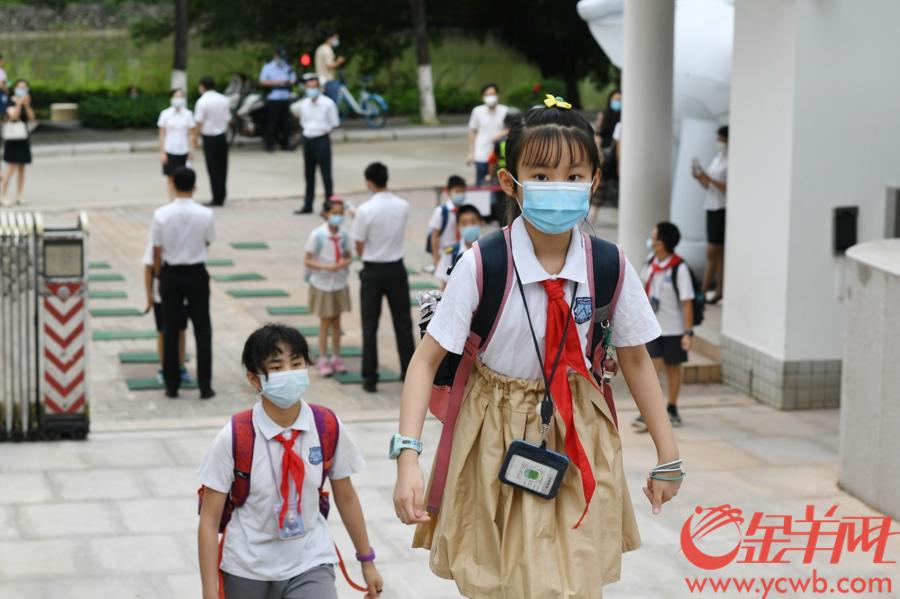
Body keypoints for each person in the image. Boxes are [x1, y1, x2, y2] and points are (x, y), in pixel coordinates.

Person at [392, 96, 682, 598]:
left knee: (570, 579)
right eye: (542, 175)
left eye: (574, 176)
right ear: (511, 183)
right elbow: (426, 362)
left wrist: (668, 456)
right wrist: (407, 457)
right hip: (491, 431)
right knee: (497, 580)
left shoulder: (610, 265)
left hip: (578, 428)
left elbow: (635, 358)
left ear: (594, 181)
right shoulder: (483, 263)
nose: (559, 188)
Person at [197, 324, 384, 599]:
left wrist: (367, 560)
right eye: (277, 367)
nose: (290, 373)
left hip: (309, 561)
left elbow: (346, 497)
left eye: (296, 364)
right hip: (246, 568)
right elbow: (209, 519)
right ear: (254, 379)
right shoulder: (235, 436)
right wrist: (209, 592)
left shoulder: (326, 426)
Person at [350, 162, 416, 393]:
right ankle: (408, 371)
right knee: (403, 322)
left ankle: (370, 377)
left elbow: (358, 244)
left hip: (373, 269)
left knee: (370, 324)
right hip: (396, 267)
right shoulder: (403, 205)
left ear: (369, 182)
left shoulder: (365, 210)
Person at [151, 167, 215, 400]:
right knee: (203, 329)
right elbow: (208, 242)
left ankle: (171, 384)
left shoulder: (161, 214)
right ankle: (205, 385)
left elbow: (157, 250)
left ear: (173, 185)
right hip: (197, 272)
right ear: (195, 186)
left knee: (170, 329)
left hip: (172, 273)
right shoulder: (206, 214)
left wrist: (159, 276)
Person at [634, 222, 694, 432]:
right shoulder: (650, 263)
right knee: (652, 368)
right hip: (653, 328)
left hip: (674, 329)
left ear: (663, 243)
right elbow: (640, 290)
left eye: (655, 239)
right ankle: (651, 409)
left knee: (673, 370)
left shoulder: (679, 267)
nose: (651, 242)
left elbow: (687, 302)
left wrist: (688, 332)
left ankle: (672, 407)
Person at [304, 197, 352, 376]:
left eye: (340, 214)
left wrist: (343, 263)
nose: (338, 217)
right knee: (325, 322)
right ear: (325, 214)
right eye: (334, 213)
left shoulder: (344, 235)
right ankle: (323, 357)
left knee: (337, 322)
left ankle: (336, 357)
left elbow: (348, 255)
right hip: (322, 283)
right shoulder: (317, 235)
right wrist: (327, 267)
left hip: (339, 283)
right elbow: (307, 260)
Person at [142, 236, 191, 386]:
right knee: (163, 331)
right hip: (161, 296)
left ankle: (181, 366)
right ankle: (164, 368)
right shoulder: (155, 241)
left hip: (182, 295)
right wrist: (149, 295)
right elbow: (148, 269)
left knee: (181, 330)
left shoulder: (185, 239)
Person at [291, 75, 339, 215]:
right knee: (309, 174)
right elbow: (303, 122)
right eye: (309, 87)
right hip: (308, 139)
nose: (311, 90)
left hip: (322, 139)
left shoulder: (328, 104)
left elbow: (334, 123)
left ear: (319, 88)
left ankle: (329, 204)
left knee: (326, 174)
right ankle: (308, 204)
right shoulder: (304, 104)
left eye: (314, 87)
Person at [692, 125, 728, 304]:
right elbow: (709, 186)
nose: (719, 142)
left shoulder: (731, 160)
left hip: (722, 207)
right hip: (711, 205)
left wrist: (711, 178)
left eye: (722, 139)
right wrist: (701, 177)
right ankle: (719, 289)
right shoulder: (718, 158)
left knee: (712, 250)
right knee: (719, 253)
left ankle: (704, 289)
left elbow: (727, 187)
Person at [194, 76, 231, 207]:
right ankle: (222, 194)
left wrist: (195, 138)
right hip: (222, 136)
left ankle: (216, 197)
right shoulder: (224, 99)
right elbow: (228, 119)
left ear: (202, 86)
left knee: (213, 168)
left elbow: (198, 122)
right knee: (223, 167)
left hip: (209, 137)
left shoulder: (202, 102)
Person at [466, 83, 509, 187]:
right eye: (487, 95)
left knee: (498, 185)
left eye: (493, 94)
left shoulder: (505, 111)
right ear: (483, 96)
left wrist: (501, 134)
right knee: (481, 185)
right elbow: (472, 132)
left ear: (498, 95)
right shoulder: (477, 111)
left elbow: (511, 128)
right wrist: (471, 153)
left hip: (499, 156)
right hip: (481, 154)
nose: (490, 97)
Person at [157, 89, 196, 200]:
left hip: (184, 150)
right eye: (176, 96)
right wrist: (162, 152)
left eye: (181, 96)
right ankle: (172, 200)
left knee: (184, 177)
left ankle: (183, 200)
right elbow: (161, 135)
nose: (178, 99)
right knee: (170, 178)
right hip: (169, 150)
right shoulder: (165, 114)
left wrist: (191, 150)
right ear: (171, 98)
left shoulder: (188, 114)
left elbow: (191, 134)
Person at [1, 79, 35, 206]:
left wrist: (26, 105)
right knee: (11, 168)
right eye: (20, 87)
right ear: (15, 88)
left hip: (23, 138)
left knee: (22, 168)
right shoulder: (9, 100)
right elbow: (14, 116)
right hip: (13, 139)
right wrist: (19, 104)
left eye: (24, 87)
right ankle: (2, 195)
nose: (22, 89)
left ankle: (19, 195)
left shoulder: (27, 101)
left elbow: (31, 118)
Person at [428, 175, 466, 288]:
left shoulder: (465, 211)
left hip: (462, 253)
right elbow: (434, 236)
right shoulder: (441, 212)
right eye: (457, 191)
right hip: (447, 254)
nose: (460, 194)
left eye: (463, 192)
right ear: (449, 192)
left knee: (461, 283)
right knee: (446, 284)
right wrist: (435, 257)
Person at [259, 48, 298, 152]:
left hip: (285, 97)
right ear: (275, 56)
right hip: (273, 98)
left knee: (286, 123)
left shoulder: (287, 66)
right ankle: (269, 145)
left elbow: (293, 80)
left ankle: (286, 144)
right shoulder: (268, 67)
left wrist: (287, 82)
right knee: (271, 122)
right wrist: (277, 82)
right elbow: (262, 81)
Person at [593, 89, 622, 215]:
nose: (618, 102)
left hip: (619, 159)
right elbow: (598, 135)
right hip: (605, 159)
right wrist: (599, 153)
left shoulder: (625, 118)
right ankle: (589, 222)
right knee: (598, 194)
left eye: (620, 100)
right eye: (616, 99)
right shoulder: (604, 116)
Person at [438, 203, 483, 281]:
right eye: (464, 223)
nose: (469, 226)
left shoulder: (489, 250)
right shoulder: (451, 252)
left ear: (481, 223)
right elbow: (445, 282)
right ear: (457, 226)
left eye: (473, 222)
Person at [315, 32, 345, 105]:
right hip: (328, 81)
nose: (337, 40)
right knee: (332, 105)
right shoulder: (327, 50)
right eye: (336, 38)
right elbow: (329, 66)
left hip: (320, 80)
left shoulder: (320, 48)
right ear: (329, 38)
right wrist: (339, 61)